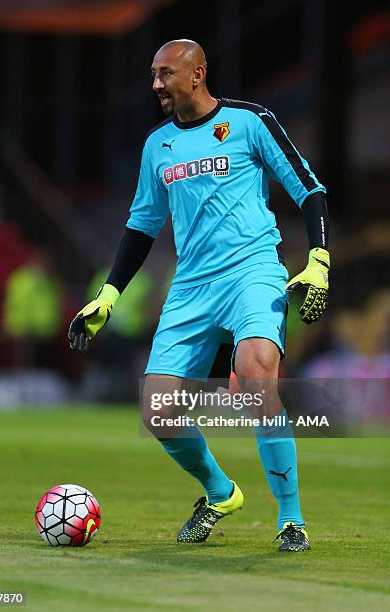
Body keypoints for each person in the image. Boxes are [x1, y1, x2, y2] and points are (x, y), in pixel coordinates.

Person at [69, 39, 330, 552]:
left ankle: (291, 519)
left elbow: (310, 189)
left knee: (256, 374)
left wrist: (318, 260)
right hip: (190, 284)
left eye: (165, 74)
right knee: (157, 410)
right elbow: (141, 227)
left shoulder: (251, 121)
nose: (156, 85)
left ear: (197, 74)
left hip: (253, 270)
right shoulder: (157, 145)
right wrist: (108, 295)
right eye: (153, 74)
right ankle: (220, 492)